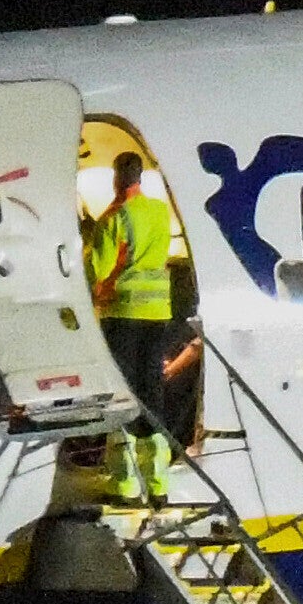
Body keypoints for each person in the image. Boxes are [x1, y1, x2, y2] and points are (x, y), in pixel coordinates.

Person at [85, 150, 202, 510]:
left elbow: (96, 271)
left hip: (121, 314)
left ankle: (125, 485)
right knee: (152, 393)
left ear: (116, 179)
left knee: (122, 396)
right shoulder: (158, 211)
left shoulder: (115, 218)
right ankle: (158, 483)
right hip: (157, 313)